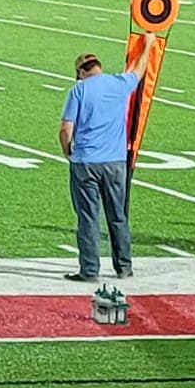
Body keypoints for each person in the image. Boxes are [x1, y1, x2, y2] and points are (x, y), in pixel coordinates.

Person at [57, 50, 141, 283]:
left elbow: (65, 128)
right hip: (115, 163)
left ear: (81, 72)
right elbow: (140, 69)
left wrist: (67, 150)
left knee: (88, 218)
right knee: (118, 216)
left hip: (86, 163)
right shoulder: (119, 83)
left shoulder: (79, 90)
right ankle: (124, 266)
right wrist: (148, 43)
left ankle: (90, 270)